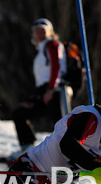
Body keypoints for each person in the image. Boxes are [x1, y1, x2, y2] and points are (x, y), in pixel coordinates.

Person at [6, 18, 70, 160]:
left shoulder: (52, 45)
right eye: (37, 31)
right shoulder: (42, 50)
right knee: (20, 113)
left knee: (61, 125)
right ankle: (27, 147)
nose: (40, 34)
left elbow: (56, 67)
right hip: (44, 91)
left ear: (50, 33)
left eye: (43, 31)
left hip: (55, 91)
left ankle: (68, 156)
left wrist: (51, 89)